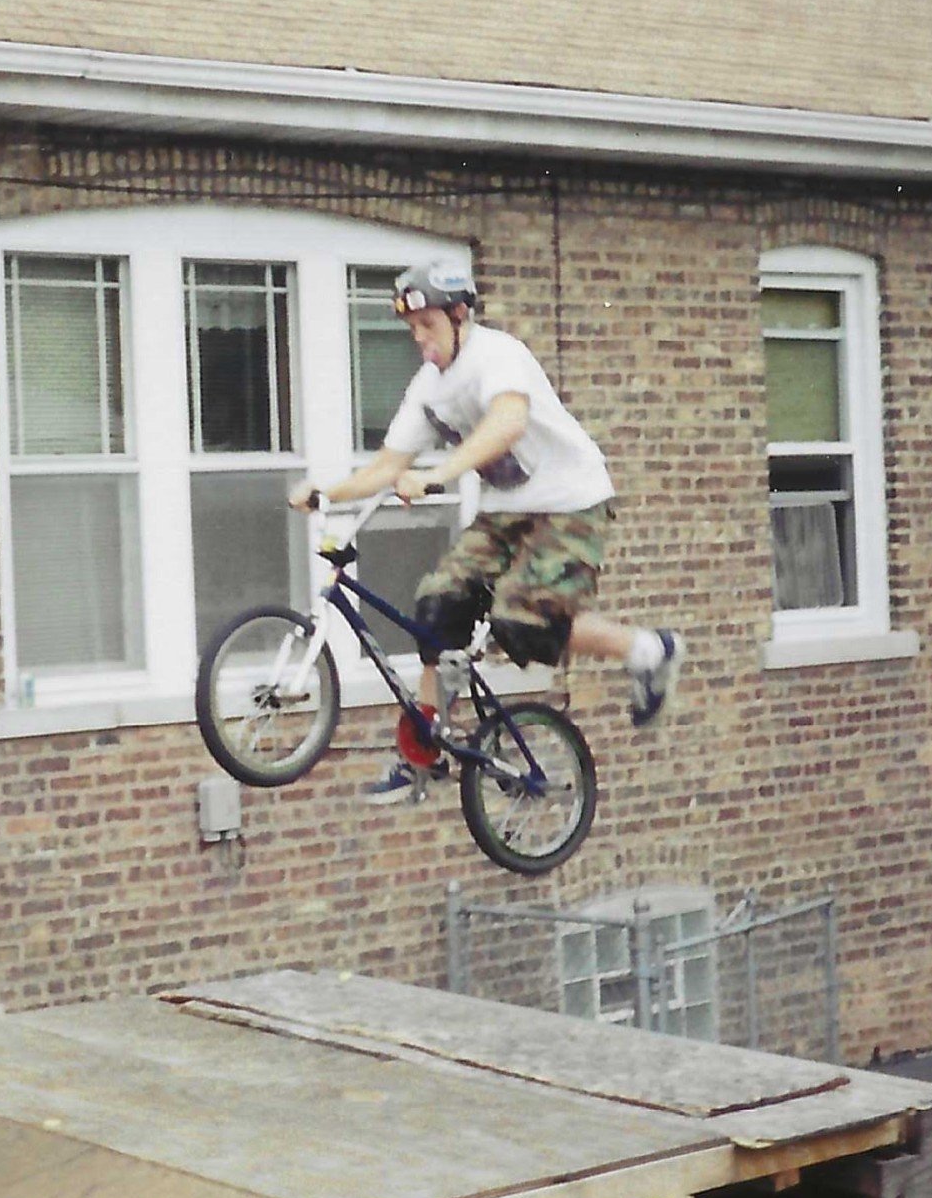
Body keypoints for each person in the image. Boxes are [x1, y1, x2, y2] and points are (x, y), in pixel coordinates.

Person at [288, 262, 681, 802]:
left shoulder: (497, 356)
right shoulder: (429, 387)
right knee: (437, 604)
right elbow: (387, 465)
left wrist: (438, 475)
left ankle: (650, 649)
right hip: (504, 513)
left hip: (569, 503)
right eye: (412, 329)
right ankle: (421, 754)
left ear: (458, 315)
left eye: (427, 325)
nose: (419, 338)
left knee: (524, 619)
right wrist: (327, 494)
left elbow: (507, 423)